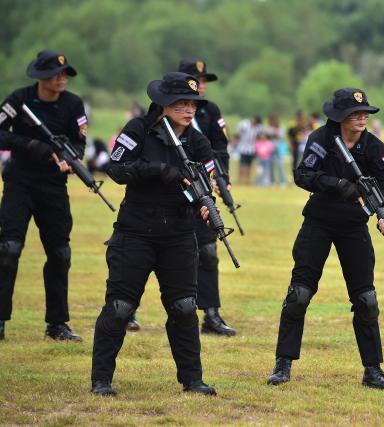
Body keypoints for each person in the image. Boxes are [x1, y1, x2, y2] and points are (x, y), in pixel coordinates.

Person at [90, 72, 217, 396]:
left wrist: (207, 205)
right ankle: (101, 380)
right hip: (136, 231)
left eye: (192, 104)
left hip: (177, 233)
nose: (188, 110)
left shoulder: (198, 141)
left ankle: (192, 380)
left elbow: (205, 182)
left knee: (185, 307)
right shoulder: (139, 130)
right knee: (119, 307)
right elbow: (115, 169)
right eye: (181, 103)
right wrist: (157, 171)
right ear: (163, 104)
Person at [266, 88, 384, 389]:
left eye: (365, 113)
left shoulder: (375, 148)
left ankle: (373, 370)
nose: (363, 117)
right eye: (355, 113)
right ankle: (283, 364)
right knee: (299, 294)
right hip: (319, 221)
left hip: (354, 225)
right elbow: (303, 175)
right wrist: (337, 184)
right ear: (339, 117)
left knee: (366, 299)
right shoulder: (321, 140)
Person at [126, 58, 236, 335]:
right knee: (140, 259)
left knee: (208, 251)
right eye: (194, 80)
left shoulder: (210, 111)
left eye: (202, 81)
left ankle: (211, 313)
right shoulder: (145, 125)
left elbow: (218, 149)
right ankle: (127, 309)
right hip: (147, 207)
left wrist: (220, 181)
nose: (200, 87)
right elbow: (121, 167)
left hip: (197, 191)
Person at [0, 50, 86, 341]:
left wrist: (69, 159)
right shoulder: (18, 99)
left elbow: (79, 142)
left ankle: (57, 324)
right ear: (40, 77)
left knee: (60, 254)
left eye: (64, 74)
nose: (61, 79)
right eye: (54, 74)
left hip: (53, 186)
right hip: (19, 181)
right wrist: (31, 146)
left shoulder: (74, 104)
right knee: (9, 249)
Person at [234, 116, 261, 185]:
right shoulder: (243, 124)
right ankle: (240, 179)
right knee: (242, 164)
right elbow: (237, 134)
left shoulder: (258, 127)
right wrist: (235, 143)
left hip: (252, 149)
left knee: (249, 165)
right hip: (243, 148)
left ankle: (246, 180)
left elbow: (258, 137)